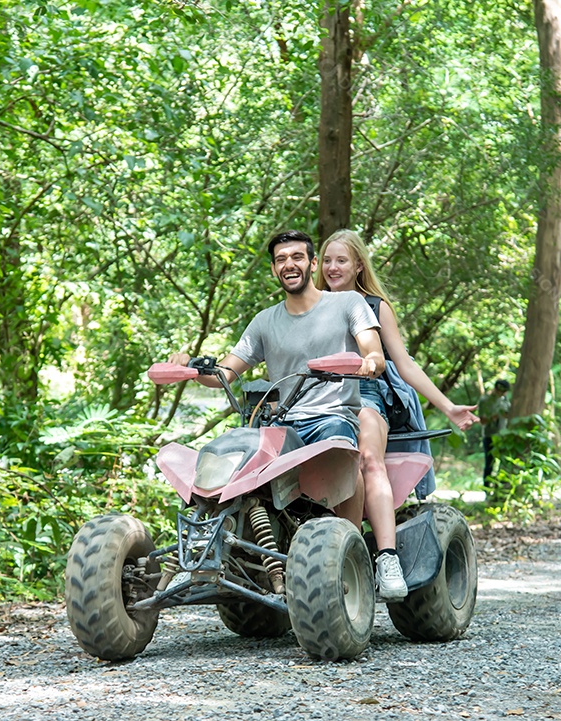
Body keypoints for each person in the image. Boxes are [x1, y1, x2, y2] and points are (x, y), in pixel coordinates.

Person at [168, 229, 386, 529]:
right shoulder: (264, 321)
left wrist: (370, 362)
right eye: (281, 259)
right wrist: (191, 369)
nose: (289, 264)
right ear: (274, 269)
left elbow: (373, 352)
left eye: (297, 257)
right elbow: (224, 374)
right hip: (282, 425)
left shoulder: (348, 303)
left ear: (312, 263)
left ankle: (351, 547)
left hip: (331, 417)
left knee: (342, 454)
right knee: (237, 466)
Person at [316, 229, 479, 600]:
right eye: (327, 260)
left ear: (358, 265)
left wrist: (447, 406)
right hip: (316, 400)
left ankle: (384, 557)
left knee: (365, 457)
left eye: (341, 260)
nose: (332, 267)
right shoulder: (312, 305)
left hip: (365, 396)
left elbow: (403, 364)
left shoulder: (374, 307)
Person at [478, 379, 511, 488]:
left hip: (503, 435)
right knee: (489, 464)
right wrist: (492, 418)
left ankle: (500, 488)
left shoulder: (505, 400)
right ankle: (486, 488)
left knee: (505, 462)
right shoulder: (485, 401)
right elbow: (482, 421)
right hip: (489, 435)